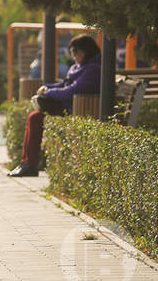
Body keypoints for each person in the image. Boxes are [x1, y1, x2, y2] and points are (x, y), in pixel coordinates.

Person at [8, 34, 101, 177]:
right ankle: (27, 163)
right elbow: (65, 85)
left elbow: (73, 90)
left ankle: (30, 164)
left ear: (85, 52)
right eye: (72, 52)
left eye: (76, 52)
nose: (74, 56)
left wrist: (50, 92)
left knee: (35, 118)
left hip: (79, 111)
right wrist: (47, 87)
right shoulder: (79, 67)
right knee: (34, 116)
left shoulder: (92, 69)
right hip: (70, 108)